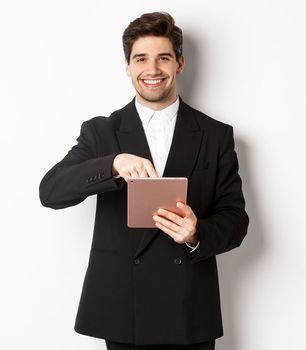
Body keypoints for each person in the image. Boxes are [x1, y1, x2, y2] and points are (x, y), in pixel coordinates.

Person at [38, 12, 249, 350]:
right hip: (125, 310)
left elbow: (236, 220)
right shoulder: (101, 132)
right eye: (141, 59)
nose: (152, 69)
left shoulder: (215, 135)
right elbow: (50, 190)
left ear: (179, 64)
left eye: (163, 58)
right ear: (127, 66)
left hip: (189, 309)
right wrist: (112, 165)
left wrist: (197, 234)